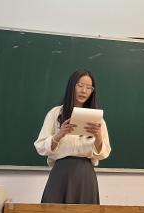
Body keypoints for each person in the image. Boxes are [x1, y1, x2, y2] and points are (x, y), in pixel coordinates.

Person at [34, 69, 111, 204]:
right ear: (72, 86)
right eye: (80, 85)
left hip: (85, 176)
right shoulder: (55, 113)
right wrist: (58, 136)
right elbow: (40, 146)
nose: (84, 91)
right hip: (60, 173)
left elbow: (104, 153)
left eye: (89, 88)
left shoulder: (97, 119)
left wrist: (98, 137)